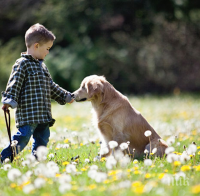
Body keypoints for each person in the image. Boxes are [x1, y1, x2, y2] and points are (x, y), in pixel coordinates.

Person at [1, 23, 74, 163]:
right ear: (36, 46)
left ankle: (37, 161)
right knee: (22, 138)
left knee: (42, 139)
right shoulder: (22, 63)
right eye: (47, 49)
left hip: (43, 114)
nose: (48, 52)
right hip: (28, 114)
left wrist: (65, 96)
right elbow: (14, 83)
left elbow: (51, 86)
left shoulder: (42, 66)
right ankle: (3, 159)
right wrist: (8, 101)